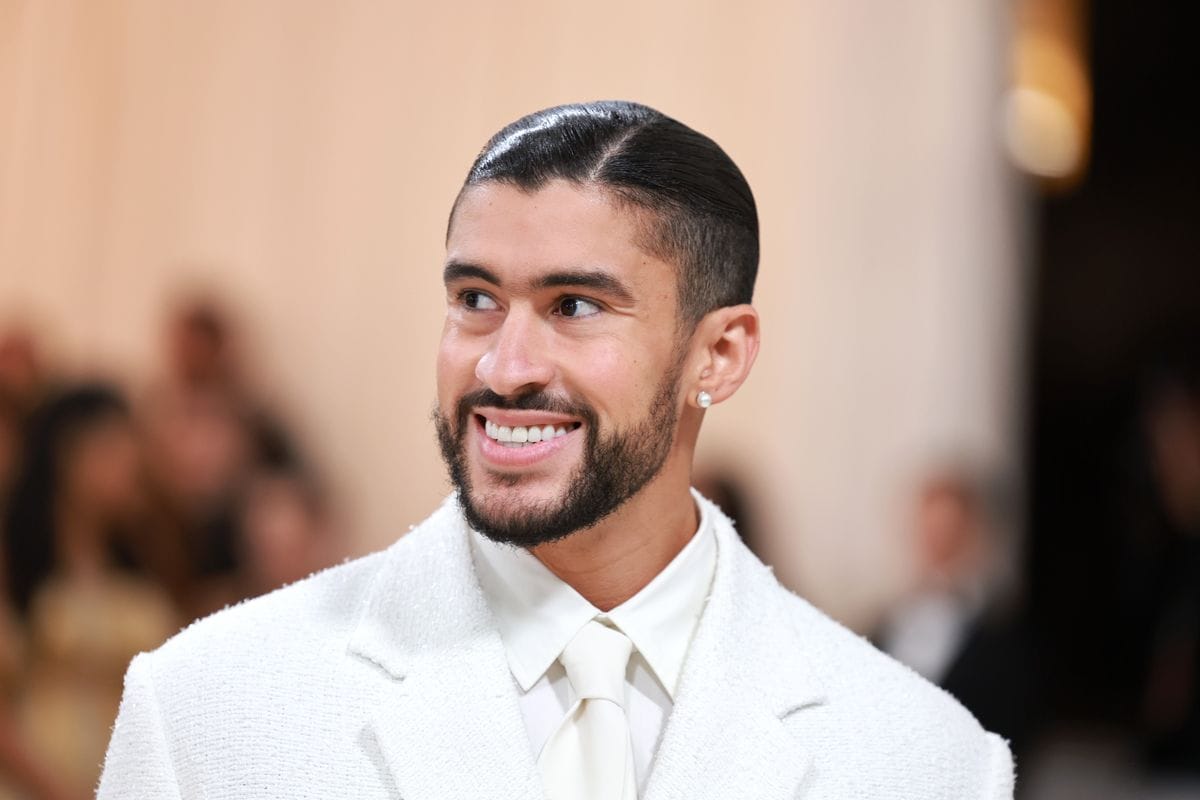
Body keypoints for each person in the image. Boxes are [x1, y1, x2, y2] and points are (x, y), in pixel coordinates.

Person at [98, 101, 1014, 799]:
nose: (504, 366)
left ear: (720, 355)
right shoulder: (206, 710)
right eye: (476, 299)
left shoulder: (925, 762)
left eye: (575, 307)